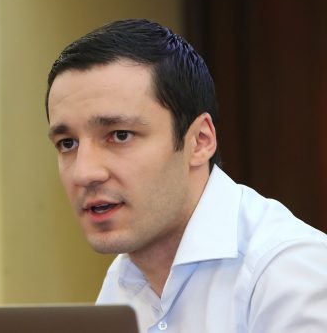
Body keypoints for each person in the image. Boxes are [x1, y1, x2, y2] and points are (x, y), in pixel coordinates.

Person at [45, 19, 327, 333]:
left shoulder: (288, 271)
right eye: (67, 143)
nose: (84, 172)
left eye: (120, 135)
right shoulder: (121, 281)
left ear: (200, 141)